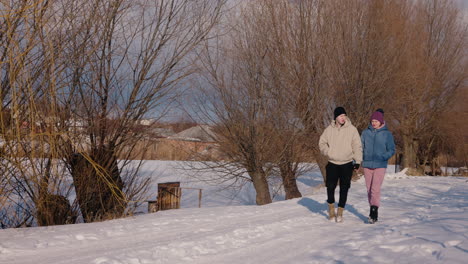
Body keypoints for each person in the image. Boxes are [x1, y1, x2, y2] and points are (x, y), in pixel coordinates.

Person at [319, 107, 362, 223]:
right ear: (336, 117)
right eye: (341, 116)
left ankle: (340, 212)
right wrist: (328, 152)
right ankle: (331, 209)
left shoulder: (352, 130)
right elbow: (322, 143)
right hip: (332, 163)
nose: (343, 118)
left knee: (344, 188)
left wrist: (357, 162)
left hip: (347, 163)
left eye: (344, 115)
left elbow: (357, 146)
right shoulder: (329, 130)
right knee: (330, 187)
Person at [361, 109, 395, 224]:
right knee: (369, 189)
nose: (374, 123)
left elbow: (392, 149)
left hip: (380, 164)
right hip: (367, 164)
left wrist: (383, 156)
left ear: (381, 121)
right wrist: (358, 160)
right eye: (372, 121)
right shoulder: (365, 133)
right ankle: (372, 208)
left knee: (375, 189)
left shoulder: (387, 134)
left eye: (376, 121)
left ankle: (373, 212)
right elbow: (360, 147)